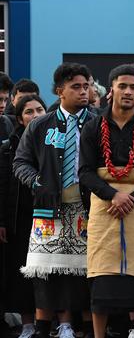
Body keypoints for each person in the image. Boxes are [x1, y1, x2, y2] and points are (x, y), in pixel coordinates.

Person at [78, 64, 134, 338]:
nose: (128, 92)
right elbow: (84, 172)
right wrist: (113, 194)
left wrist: (133, 197)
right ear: (111, 89)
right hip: (105, 207)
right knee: (102, 277)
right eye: (123, 86)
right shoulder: (93, 127)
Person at [13, 62, 95, 338]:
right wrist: (38, 182)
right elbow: (21, 162)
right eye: (76, 87)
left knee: (86, 271)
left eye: (86, 86)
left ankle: (82, 327)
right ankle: (42, 328)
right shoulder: (40, 124)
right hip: (49, 208)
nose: (84, 91)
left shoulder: (98, 122)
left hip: (89, 207)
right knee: (44, 270)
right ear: (60, 91)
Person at [0, 94, 46, 338]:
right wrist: (3, 221)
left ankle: (52, 323)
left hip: (49, 216)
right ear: (19, 118)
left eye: (40, 110)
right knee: (23, 273)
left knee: (49, 273)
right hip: (20, 218)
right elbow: (3, 186)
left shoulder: (55, 140)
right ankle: (28, 324)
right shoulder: (9, 147)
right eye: (29, 112)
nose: (36, 115)